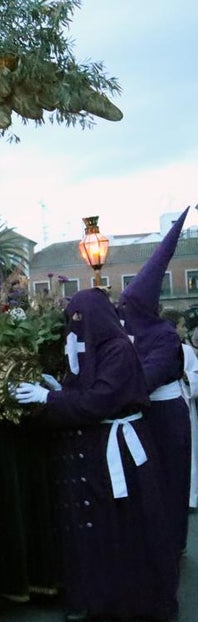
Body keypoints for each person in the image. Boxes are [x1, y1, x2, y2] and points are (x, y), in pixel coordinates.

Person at [14, 289, 179, 622]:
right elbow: (86, 391)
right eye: (70, 319)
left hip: (121, 453)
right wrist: (59, 391)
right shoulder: (91, 348)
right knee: (99, 531)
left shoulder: (118, 350)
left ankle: (137, 601)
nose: (74, 326)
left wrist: (50, 399)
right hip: (98, 448)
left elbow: (101, 400)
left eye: (79, 318)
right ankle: (95, 598)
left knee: (124, 527)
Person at [117, 209, 192, 554]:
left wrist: (111, 390)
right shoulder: (129, 330)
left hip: (167, 415)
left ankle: (172, 548)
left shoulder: (164, 336)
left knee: (171, 482)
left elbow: (148, 377)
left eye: (129, 305)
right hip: (145, 417)